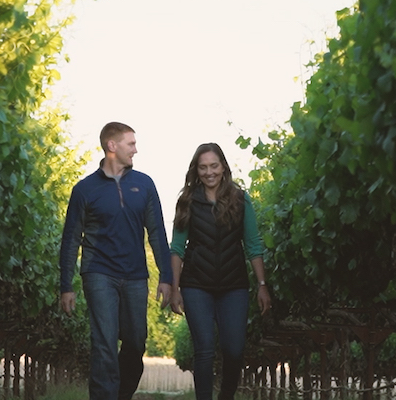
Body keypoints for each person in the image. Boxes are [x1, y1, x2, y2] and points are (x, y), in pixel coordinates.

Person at [59, 121, 174, 400]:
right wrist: (66, 286)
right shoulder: (85, 189)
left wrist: (167, 277)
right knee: (104, 343)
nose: (136, 149)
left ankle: (122, 394)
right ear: (112, 146)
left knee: (136, 342)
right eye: (130, 143)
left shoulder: (144, 184)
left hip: (135, 275)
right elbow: (71, 239)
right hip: (99, 273)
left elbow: (157, 232)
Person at [168, 142, 271, 400]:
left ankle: (226, 396)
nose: (209, 172)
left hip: (233, 286)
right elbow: (178, 248)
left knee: (234, 350)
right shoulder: (188, 201)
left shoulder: (240, 199)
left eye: (214, 166)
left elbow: (253, 243)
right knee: (203, 348)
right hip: (195, 285)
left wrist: (261, 284)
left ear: (223, 167)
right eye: (203, 167)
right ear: (196, 170)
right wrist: (175, 288)